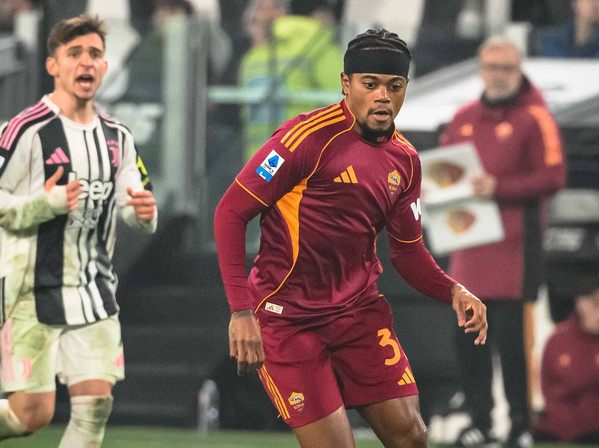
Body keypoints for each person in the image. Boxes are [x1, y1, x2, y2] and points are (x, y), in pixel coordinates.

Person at [214, 28, 488, 448]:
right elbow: (230, 212)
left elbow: (408, 252)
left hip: (357, 313)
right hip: (287, 320)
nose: (383, 97)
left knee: (412, 436)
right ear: (346, 83)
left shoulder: (405, 161)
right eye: (370, 84)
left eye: (394, 86)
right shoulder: (304, 139)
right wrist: (240, 311)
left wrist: (453, 290)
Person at [0, 15, 157, 446]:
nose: (86, 62)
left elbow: (134, 202)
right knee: (31, 415)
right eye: (74, 53)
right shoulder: (24, 130)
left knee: (94, 408)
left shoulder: (118, 137)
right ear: (53, 65)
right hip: (30, 293)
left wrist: (143, 213)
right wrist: (43, 204)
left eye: (94, 54)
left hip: (93, 290)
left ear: (104, 66)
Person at [439, 37, 566, 448]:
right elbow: (443, 173)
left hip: (515, 250)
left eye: (506, 67)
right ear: (480, 69)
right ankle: (480, 422)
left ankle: (520, 425)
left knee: (513, 344)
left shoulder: (535, 118)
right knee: (468, 340)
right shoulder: (463, 118)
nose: (498, 75)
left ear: (519, 70)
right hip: (469, 250)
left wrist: (499, 187)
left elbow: (554, 177)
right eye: (491, 66)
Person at [238, 0, 344, 162]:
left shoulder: (250, 60)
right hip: (302, 160)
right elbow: (345, 101)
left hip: (261, 163)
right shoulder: (317, 45)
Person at [534, 277, 599, 444]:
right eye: (596, 304)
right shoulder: (558, 341)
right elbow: (550, 390)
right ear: (580, 303)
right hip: (565, 428)